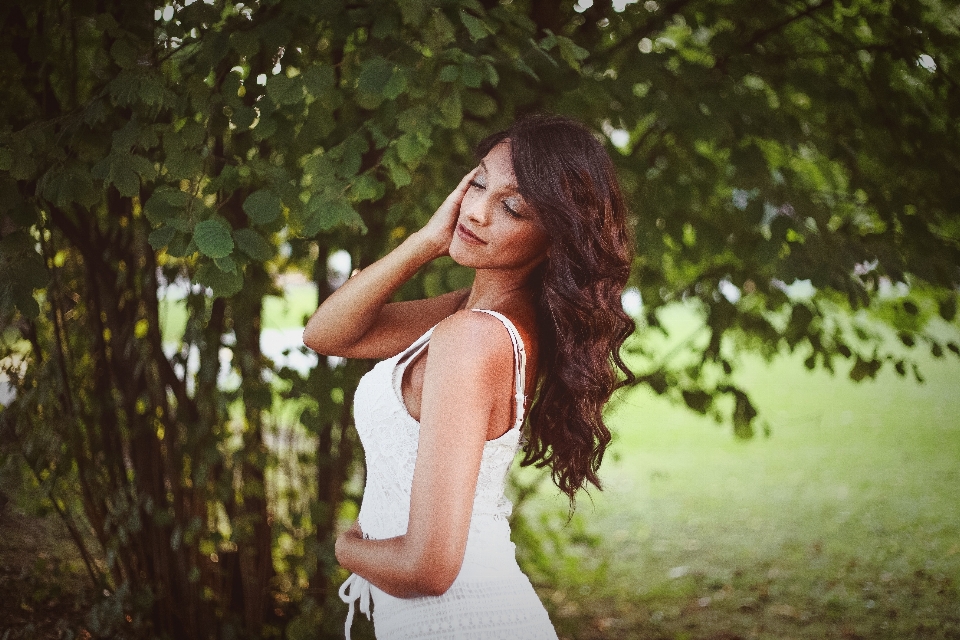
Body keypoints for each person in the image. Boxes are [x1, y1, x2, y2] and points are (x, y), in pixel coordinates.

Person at [302, 114, 635, 639]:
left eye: (512, 207)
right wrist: (426, 240)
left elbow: (427, 569)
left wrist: (346, 548)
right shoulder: (470, 315)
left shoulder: (473, 336)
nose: (476, 212)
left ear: (553, 239)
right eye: (478, 182)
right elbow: (327, 334)